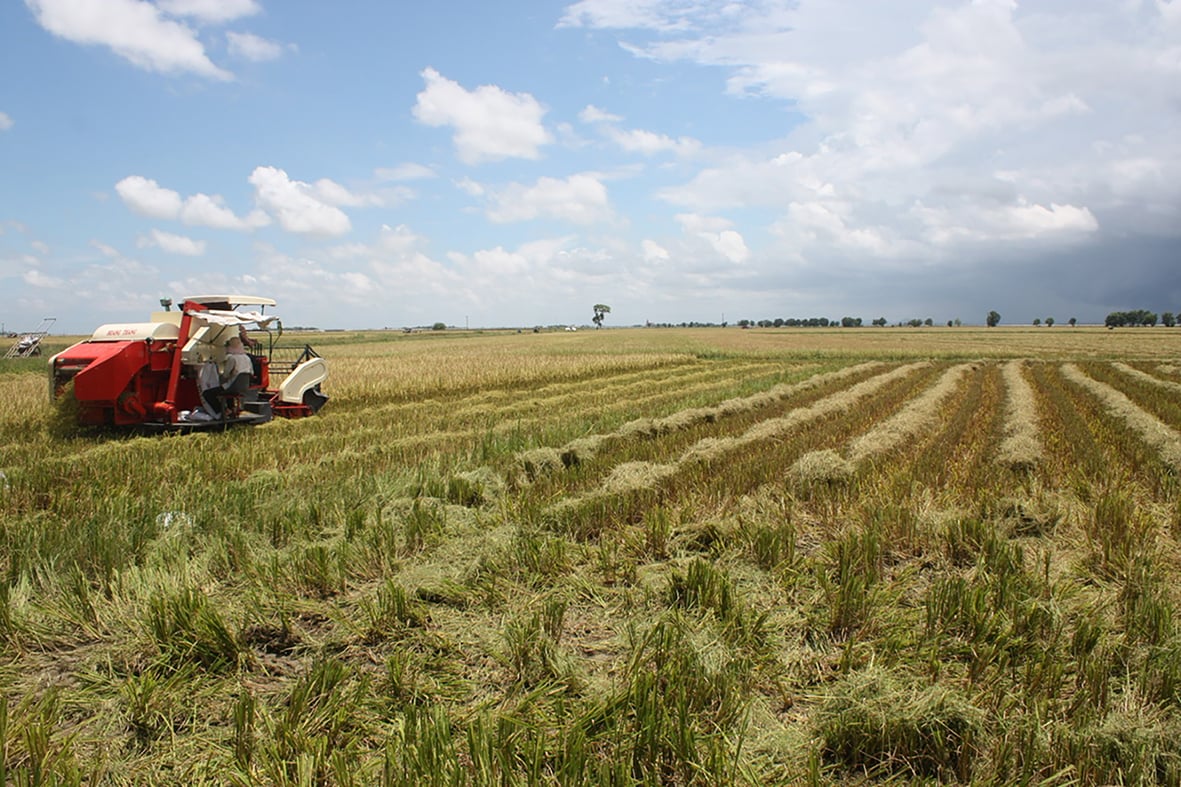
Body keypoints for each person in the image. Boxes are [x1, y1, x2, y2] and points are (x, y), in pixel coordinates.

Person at [201, 336, 254, 418]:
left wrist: (220, 378)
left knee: (207, 393)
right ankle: (231, 409)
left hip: (232, 387)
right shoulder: (247, 358)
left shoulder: (232, 358)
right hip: (244, 387)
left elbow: (225, 375)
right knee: (228, 390)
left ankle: (222, 412)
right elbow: (251, 373)